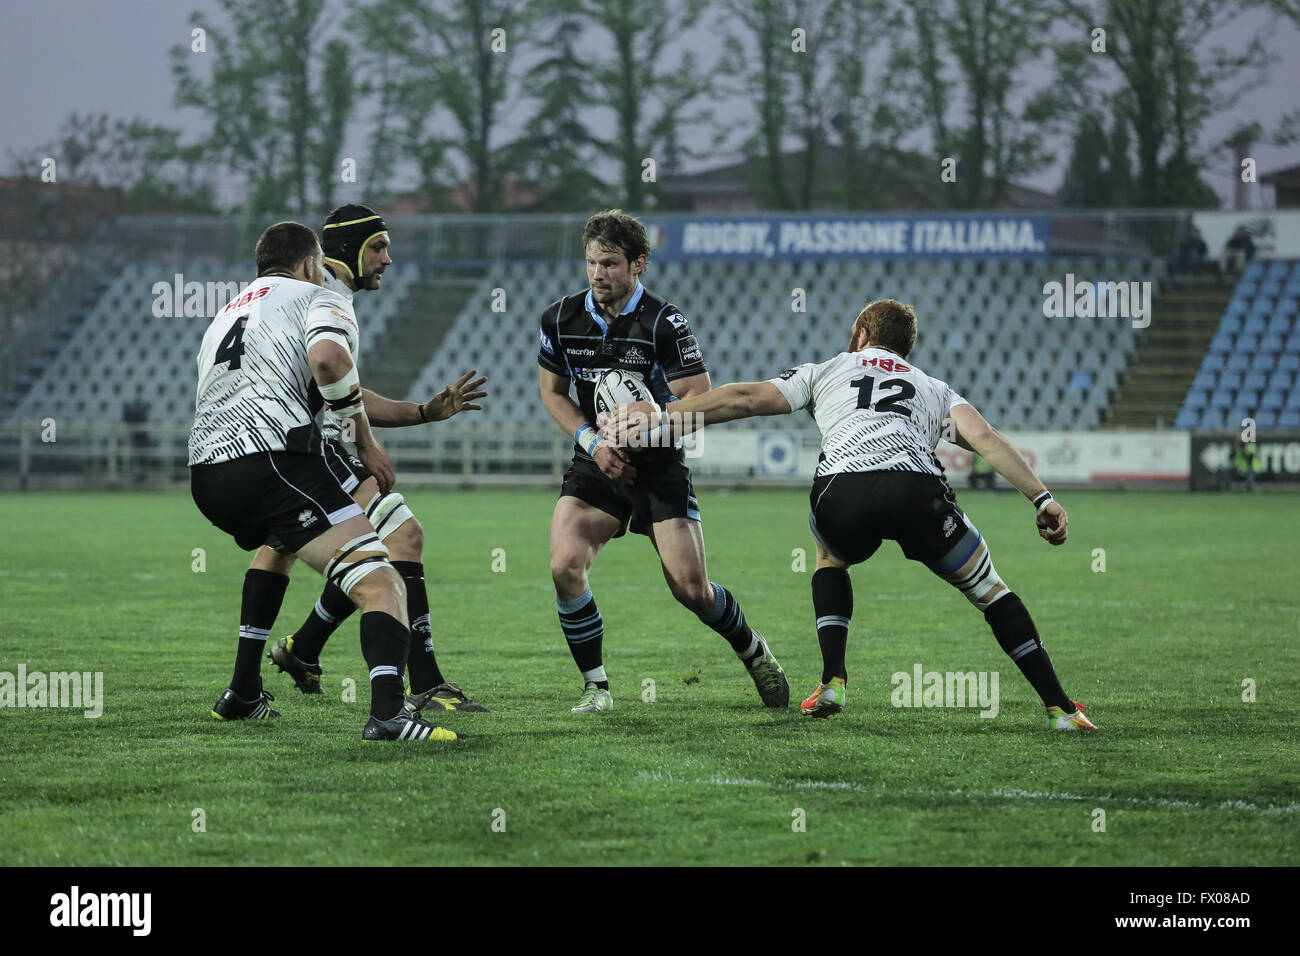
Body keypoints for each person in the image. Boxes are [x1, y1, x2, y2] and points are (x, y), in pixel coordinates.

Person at [602, 298, 1096, 731]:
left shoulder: (829, 369)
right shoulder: (933, 388)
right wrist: (1042, 498)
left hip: (843, 493)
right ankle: (1059, 708)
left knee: (830, 558)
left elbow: (745, 399)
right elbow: (985, 439)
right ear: (905, 348)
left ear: (862, 333)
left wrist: (666, 415)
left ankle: (832, 681)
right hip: (915, 490)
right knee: (991, 591)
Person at [189, 220, 461, 741]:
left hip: (207, 475)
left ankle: (246, 689)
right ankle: (388, 716)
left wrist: (416, 412)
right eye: (379, 248)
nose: (386, 259)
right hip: (273, 460)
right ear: (312, 264)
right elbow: (330, 361)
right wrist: (364, 442)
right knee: (383, 580)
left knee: (281, 547)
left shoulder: (229, 310)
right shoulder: (317, 296)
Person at [537, 209, 789, 713]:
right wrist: (595, 445)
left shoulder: (664, 322)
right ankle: (597, 688)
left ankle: (752, 649)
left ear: (639, 264)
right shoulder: (560, 318)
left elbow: (701, 402)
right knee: (565, 565)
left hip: (658, 465)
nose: (597, 273)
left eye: (609, 263)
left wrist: (651, 419)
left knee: (692, 591)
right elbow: (552, 393)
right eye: (591, 262)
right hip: (597, 459)